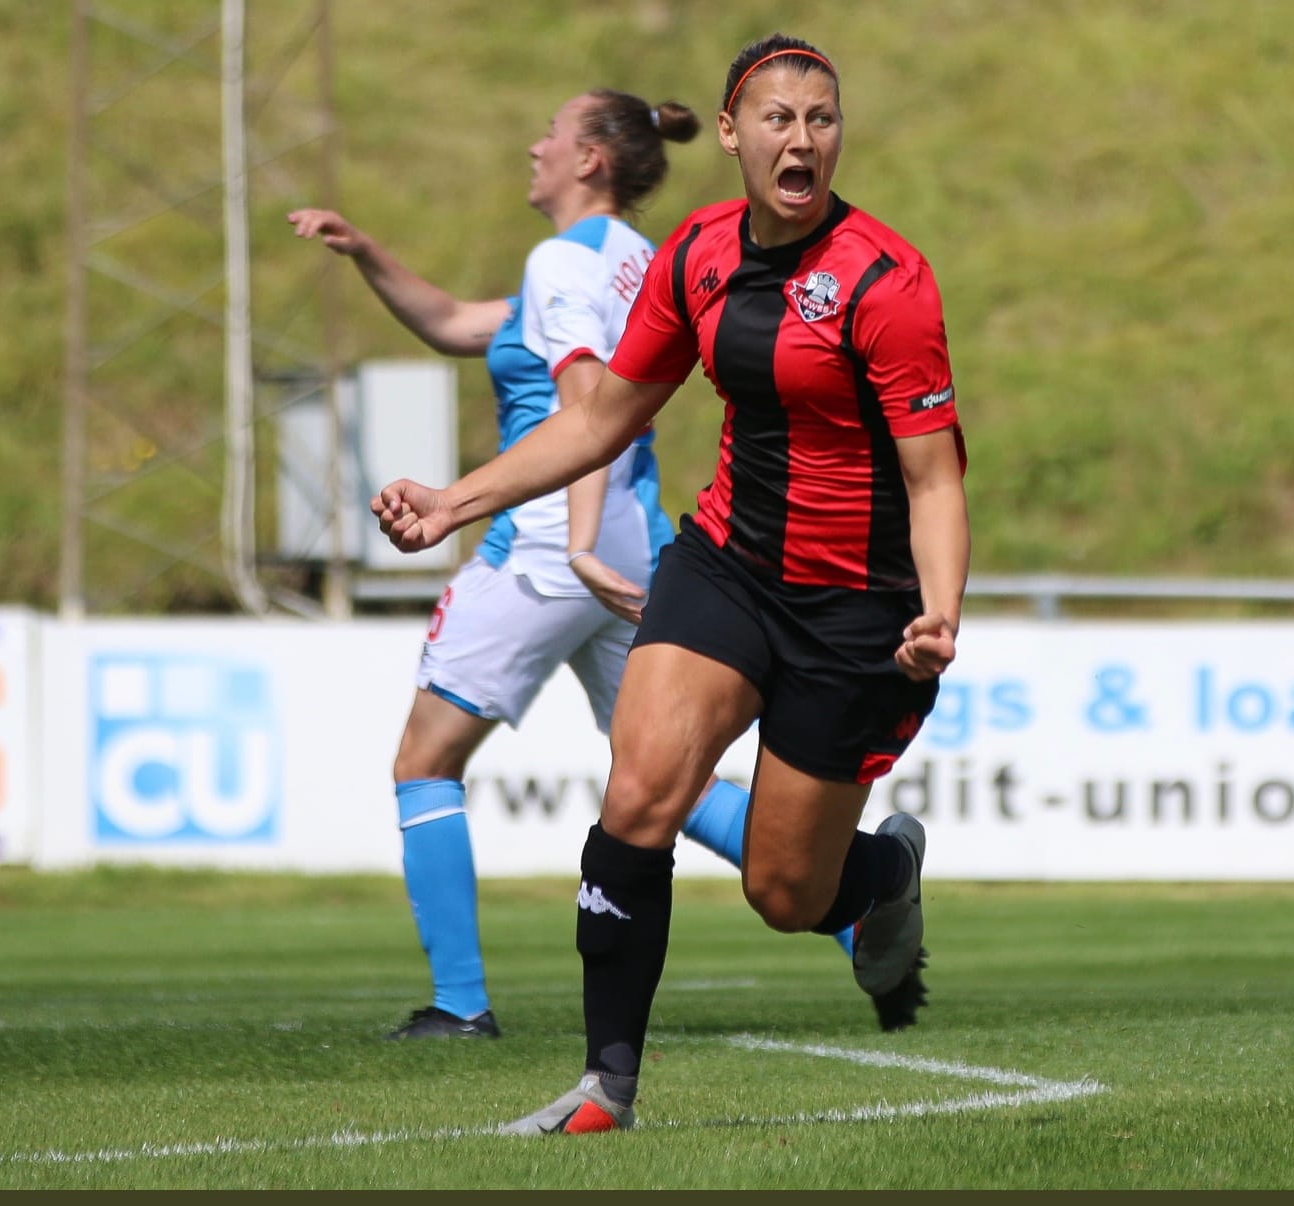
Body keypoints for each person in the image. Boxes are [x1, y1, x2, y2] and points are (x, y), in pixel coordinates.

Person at [371, 32, 969, 1133]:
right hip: (729, 565)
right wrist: (457, 502)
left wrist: (938, 610)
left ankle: (879, 874)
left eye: (822, 117)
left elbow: (934, 480)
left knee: (787, 894)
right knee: (641, 790)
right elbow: (599, 416)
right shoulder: (694, 255)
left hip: (857, 608)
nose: (803, 138)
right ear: (734, 136)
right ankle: (608, 1086)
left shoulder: (888, 281)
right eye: (779, 118)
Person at [291, 86, 853, 1043]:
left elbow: (589, 401)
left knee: (424, 760)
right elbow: (462, 326)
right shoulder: (632, 258)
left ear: (590, 157)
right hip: (634, 541)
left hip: (552, 543)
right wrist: (367, 251)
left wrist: (578, 544)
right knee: (657, 771)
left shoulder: (560, 261)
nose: (534, 142)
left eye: (549, 131)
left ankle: (461, 1004)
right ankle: (852, 901)